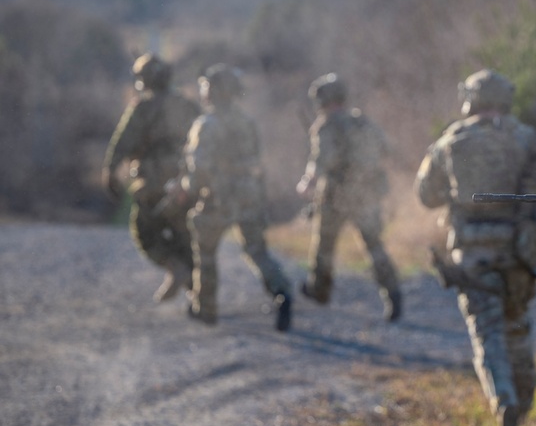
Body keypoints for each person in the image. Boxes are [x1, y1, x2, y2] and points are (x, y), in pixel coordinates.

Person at [415, 69, 536, 426]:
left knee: (487, 332)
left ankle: (503, 399)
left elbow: (426, 195)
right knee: (517, 326)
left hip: (472, 254)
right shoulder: (529, 139)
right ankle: (522, 409)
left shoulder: (451, 140)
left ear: (471, 100)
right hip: (519, 252)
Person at [176, 64, 293, 332]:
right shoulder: (247, 122)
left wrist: (184, 188)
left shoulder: (206, 125)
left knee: (205, 253)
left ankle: (205, 307)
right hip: (248, 195)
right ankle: (282, 293)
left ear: (213, 92)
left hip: (217, 198)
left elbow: (199, 169)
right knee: (257, 251)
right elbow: (256, 161)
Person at [296, 73, 402, 321]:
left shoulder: (326, 125)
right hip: (365, 194)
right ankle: (393, 293)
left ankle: (320, 290)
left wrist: (306, 183)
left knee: (324, 246)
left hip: (336, 196)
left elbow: (322, 160)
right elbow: (387, 149)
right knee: (375, 246)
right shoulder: (363, 122)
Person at [102, 53, 201, 302]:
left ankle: (175, 269)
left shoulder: (142, 108)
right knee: (185, 234)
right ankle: (197, 292)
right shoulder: (188, 105)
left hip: (152, 182)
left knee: (145, 231)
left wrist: (111, 171)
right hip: (185, 181)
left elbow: (123, 142)